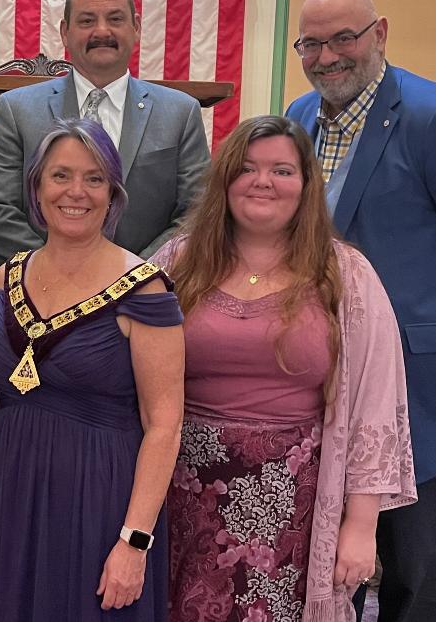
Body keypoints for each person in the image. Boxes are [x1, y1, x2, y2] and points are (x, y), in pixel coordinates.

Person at [285, 0, 436, 621]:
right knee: (331, 570)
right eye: (312, 42)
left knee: (416, 581)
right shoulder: (299, 118)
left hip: (427, 388)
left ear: (380, 33)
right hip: (327, 381)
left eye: (344, 37)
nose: (328, 55)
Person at [154, 115, 416, 622]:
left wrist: (360, 526)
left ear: (306, 185)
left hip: (292, 503)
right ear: (224, 180)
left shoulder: (347, 276)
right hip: (179, 493)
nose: (263, 181)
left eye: (282, 170)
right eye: (247, 168)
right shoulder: (177, 263)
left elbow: (375, 407)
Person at [0, 118, 185, 621]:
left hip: (99, 504)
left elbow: (164, 426)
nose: (76, 192)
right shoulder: (4, 278)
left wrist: (134, 541)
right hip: (11, 498)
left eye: (94, 177)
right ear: (36, 188)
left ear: (113, 192)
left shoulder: (143, 290)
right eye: (60, 176)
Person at [0, 0, 210, 269]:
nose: (102, 31)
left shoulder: (180, 113)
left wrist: (131, 277)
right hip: (43, 292)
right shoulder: (17, 109)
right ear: (65, 31)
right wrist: (57, 272)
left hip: (145, 294)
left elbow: (196, 213)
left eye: (115, 19)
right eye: (87, 21)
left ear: (136, 27)